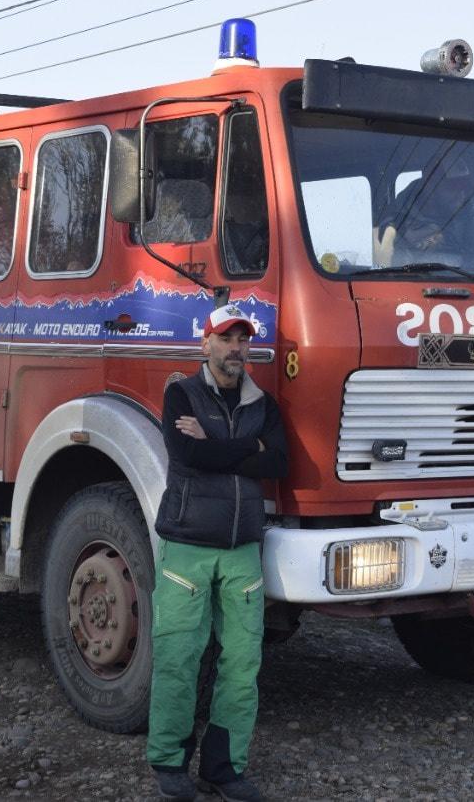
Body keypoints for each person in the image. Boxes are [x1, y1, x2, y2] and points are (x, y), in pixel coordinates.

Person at [147, 304, 288, 802]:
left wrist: (222, 443)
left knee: (242, 663)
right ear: (205, 344)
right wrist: (248, 448)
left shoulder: (263, 403)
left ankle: (224, 770)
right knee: (179, 656)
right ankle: (168, 762)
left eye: (242, 340)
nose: (235, 349)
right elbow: (189, 455)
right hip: (187, 543)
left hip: (242, 548)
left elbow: (281, 462)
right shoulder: (179, 394)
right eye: (225, 339)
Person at [377, 157, 474, 266]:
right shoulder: (396, 227)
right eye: (453, 187)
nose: (460, 194)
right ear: (430, 187)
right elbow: (395, 273)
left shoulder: (470, 219)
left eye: (464, 187)